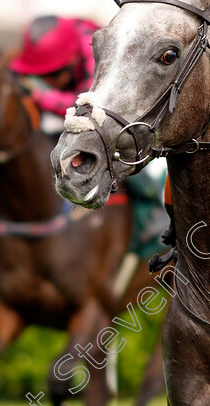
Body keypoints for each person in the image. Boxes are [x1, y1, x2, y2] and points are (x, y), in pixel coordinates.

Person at [10, 15, 168, 256]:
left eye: (52, 76)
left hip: (135, 110)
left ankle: (155, 213)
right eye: (41, 77)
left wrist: (39, 97)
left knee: (121, 146)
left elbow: (89, 106)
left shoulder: (94, 53)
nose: (47, 83)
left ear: (71, 61)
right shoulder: (66, 45)